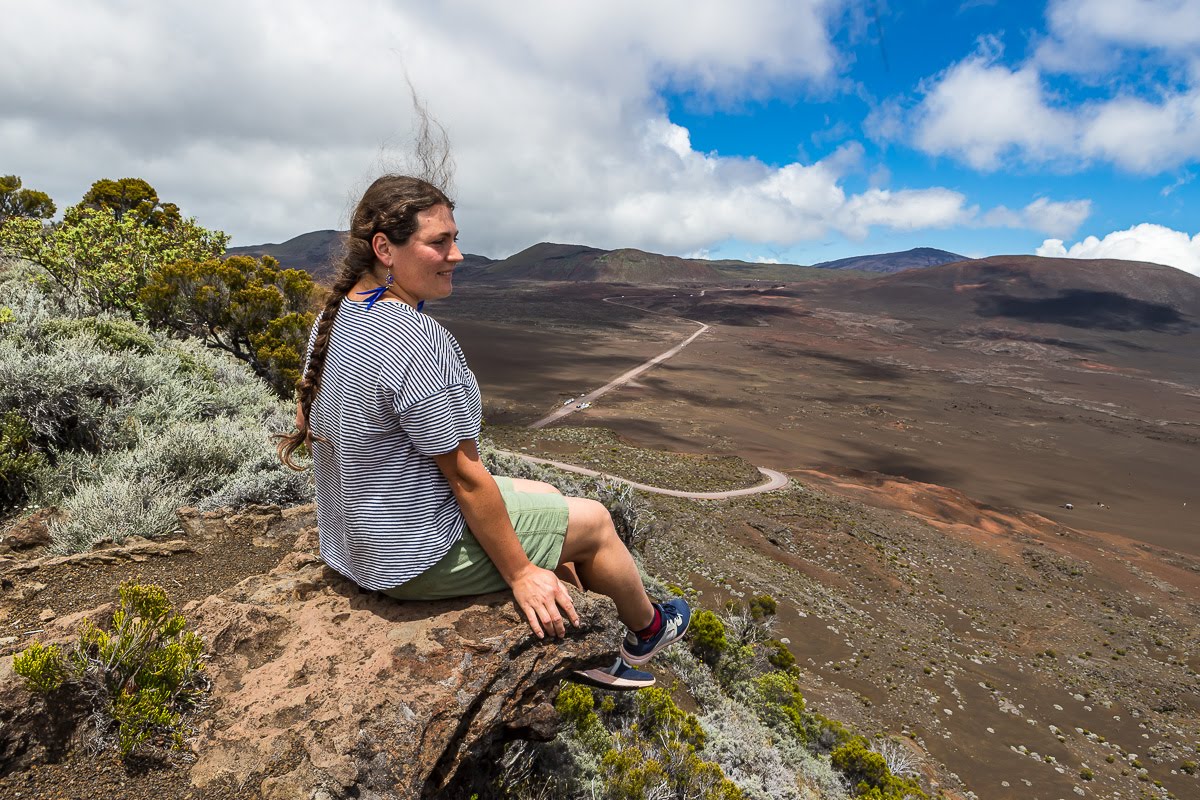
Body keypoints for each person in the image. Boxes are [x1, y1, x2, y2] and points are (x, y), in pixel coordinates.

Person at [277, 175, 689, 688]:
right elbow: (467, 479)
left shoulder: (333, 317)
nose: (457, 255)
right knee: (597, 522)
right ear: (384, 248)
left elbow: (311, 418)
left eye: (455, 238)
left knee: (545, 494)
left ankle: (580, 636)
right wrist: (520, 574)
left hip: (350, 544)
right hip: (410, 560)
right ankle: (647, 631)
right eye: (439, 242)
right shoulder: (416, 337)